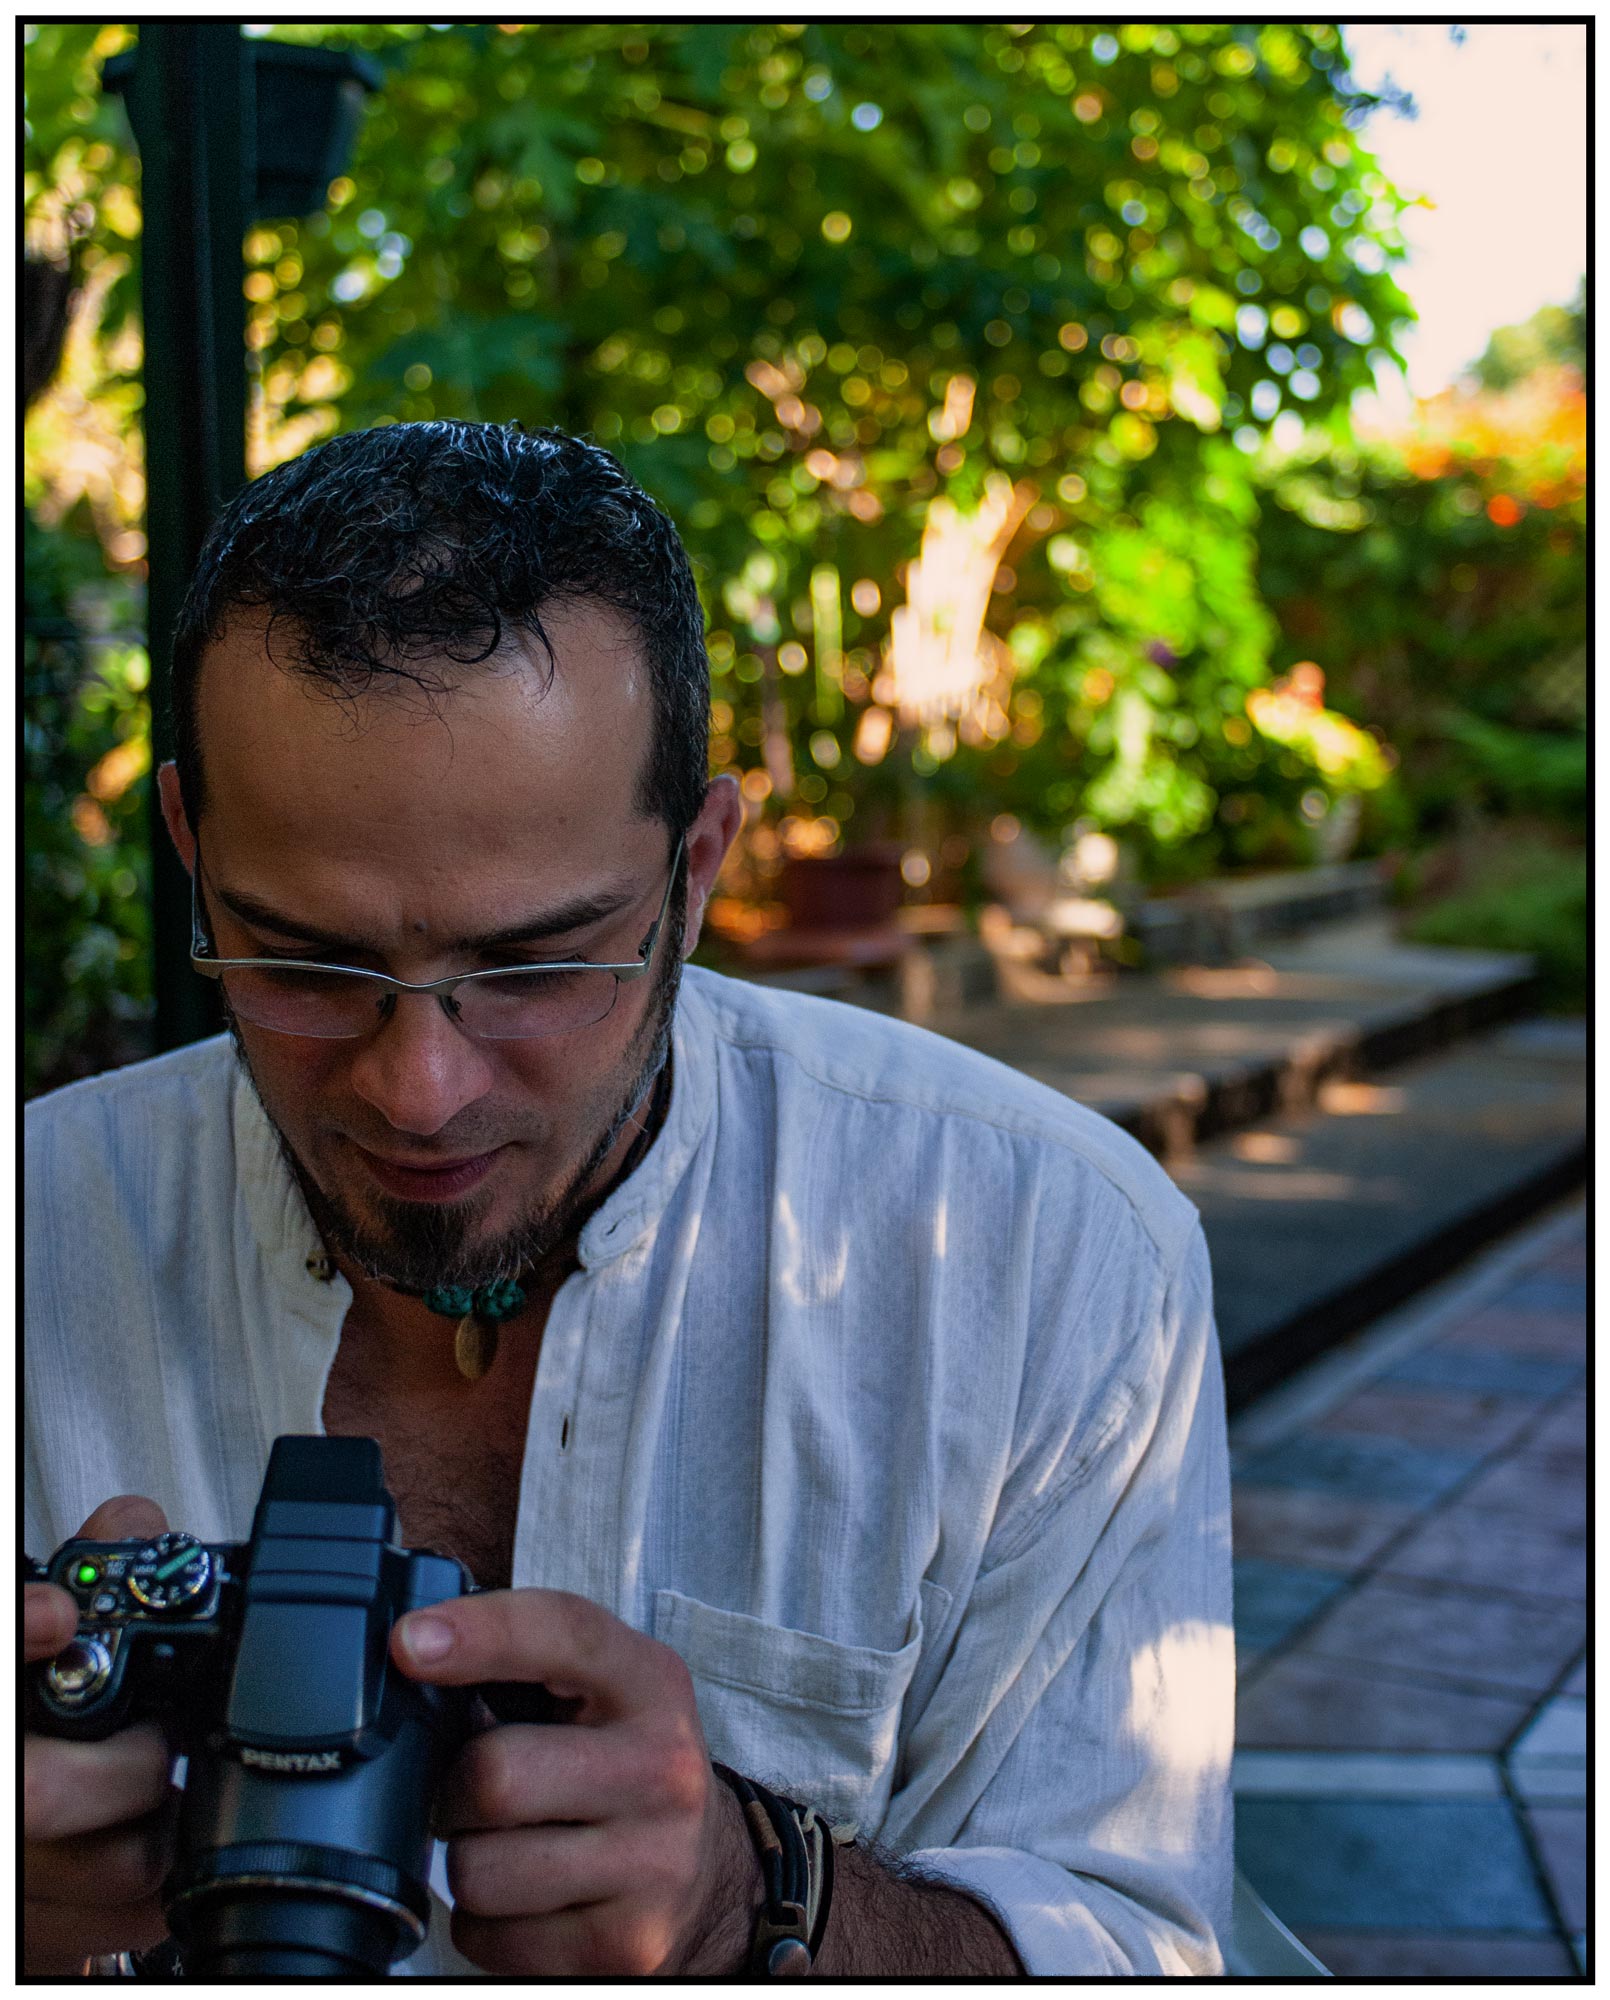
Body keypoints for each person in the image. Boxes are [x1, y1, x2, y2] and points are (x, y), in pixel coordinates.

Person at [24, 421, 1233, 1978]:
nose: (419, 1090)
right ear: (190, 848)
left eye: (535, 966)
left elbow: (1133, 1947)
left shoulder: (1048, 1256)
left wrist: (757, 1902)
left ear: (697, 867)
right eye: (306, 963)